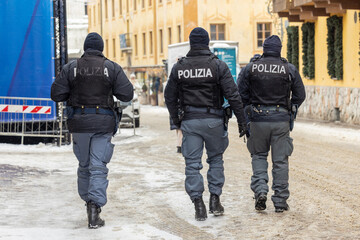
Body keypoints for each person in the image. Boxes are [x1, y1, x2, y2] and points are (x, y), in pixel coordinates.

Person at [51, 32, 133, 228]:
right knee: (98, 166)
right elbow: (127, 93)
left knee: (84, 165)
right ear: (101, 48)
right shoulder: (111, 67)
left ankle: (88, 201)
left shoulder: (71, 68)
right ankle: (94, 208)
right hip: (103, 123)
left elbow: (56, 94)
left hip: (78, 123)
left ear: (85, 48)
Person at [164, 27, 247, 221]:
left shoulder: (180, 67)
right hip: (214, 121)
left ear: (191, 43)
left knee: (192, 164)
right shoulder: (218, 65)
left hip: (190, 122)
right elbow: (233, 95)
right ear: (207, 42)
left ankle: (198, 205)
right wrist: (242, 121)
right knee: (215, 160)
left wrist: (177, 120)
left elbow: (169, 96)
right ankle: (215, 201)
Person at [237, 35, 306, 213]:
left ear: (264, 48)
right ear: (279, 49)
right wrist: (290, 105)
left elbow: (240, 92)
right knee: (280, 162)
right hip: (281, 120)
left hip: (257, 119)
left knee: (259, 156)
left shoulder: (251, 67)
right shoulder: (288, 68)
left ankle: (260, 191)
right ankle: (280, 201)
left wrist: (247, 110)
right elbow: (300, 94)